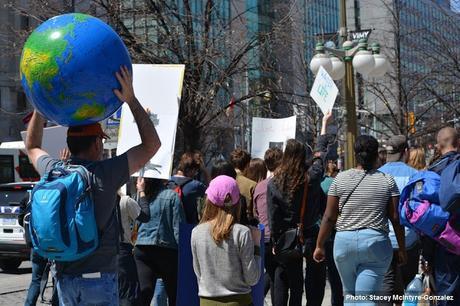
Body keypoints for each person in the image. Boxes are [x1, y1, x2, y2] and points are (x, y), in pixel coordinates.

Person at [25, 65, 161, 306]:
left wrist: (41, 106)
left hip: (65, 279)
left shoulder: (54, 170)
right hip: (99, 280)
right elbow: (151, 144)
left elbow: (32, 146)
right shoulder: (104, 175)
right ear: (97, 144)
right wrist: (130, 100)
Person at [313, 135, 407, 306]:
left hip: (343, 243)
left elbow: (329, 217)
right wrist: (401, 248)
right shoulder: (387, 180)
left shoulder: (340, 179)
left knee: (350, 296)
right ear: (377, 155)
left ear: (356, 155)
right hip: (375, 243)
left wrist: (319, 245)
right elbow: (395, 218)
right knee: (366, 299)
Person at [191, 175, 261, 306]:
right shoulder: (242, 232)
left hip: (207, 302)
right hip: (239, 301)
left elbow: (199, 273)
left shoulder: (196, 232)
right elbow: (252, 279)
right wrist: (256, 244)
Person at [378, 135, 420, 306]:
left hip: (383, 240)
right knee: (409, 287)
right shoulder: (415, 175)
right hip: (409, 240)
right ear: (406, 152)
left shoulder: (378, 175)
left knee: (386, 285)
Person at [134, 178, 185, 306]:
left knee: (143, 295)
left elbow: (133, 224)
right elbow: (178, 228)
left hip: (142, 249)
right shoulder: (172, 196)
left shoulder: (138, 197)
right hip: (167, 250)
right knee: (175, 295)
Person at [424, 127, 460, 306]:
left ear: (438, 147)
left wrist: (427, 255)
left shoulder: (431, 173)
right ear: (458, 143)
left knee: (446, 295)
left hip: (443, 244)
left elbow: (424, 217)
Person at [253, 147, 283, 299]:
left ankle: (256, 299)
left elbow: (256, 213)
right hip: (277, 237)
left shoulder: (259, 186)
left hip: (263, 236)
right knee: (279, 278)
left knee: (271, 274)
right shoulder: (280, 184)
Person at [118, 177, 150, 306]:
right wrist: (141, 192)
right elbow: (145, 216)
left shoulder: (100, 200)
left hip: (104, 251)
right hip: (122, 250)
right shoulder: (125, 201)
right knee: (128, 292)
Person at [169, 152, 207, 224]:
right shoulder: (195, 185)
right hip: (187, 227)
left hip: (169, 226)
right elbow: (212, 192)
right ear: (192, 170)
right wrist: (204, 170)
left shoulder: (167, 182)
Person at [230, 148, 257, 222]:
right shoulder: (252, 184)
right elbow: (254, 211)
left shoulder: (222, 180)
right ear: (248, 165)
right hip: (245, 223)